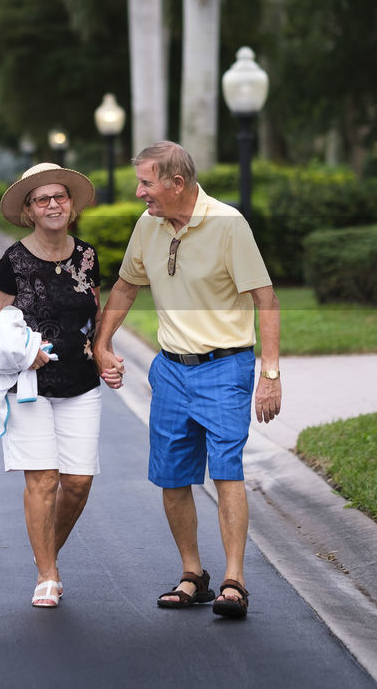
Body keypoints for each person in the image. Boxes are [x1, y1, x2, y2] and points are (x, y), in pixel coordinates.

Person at [93, 141, 281, 619]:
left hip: (225, 367)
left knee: (226, 470)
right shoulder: (149, 224)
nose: (139, 192)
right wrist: (102, 342)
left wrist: (270, 374)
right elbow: (126, 285)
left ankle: (234, 580)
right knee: (173, 477)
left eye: (146, 182)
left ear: (176, 183)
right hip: (171, 370)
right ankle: (193, 575)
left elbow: (266, 299)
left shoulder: (227, 225)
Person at [0, 162, 102, 608]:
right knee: (45, 479)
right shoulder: (13, 260)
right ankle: (48, 573)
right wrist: (21, 352)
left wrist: (105, 353)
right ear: (30, 210)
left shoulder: (87, 256)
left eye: (60, 197)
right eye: (42, 199)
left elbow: (94, 315)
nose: (53, 205)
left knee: (79, 481)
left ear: (71, 205)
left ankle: (43, 551)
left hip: (82, 384)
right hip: (29, 385)